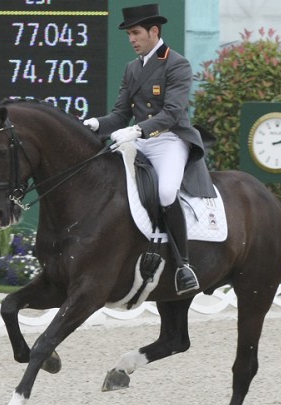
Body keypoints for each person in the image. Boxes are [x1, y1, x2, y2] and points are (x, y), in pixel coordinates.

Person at [84, 3, 205, 295]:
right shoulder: (132, 68)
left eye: (136, 33)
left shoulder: (176, 63)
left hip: (170, 140)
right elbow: (118, 116)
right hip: (138, 139)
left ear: (154, 31)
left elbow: (173, 112)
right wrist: (93, 125)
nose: (132, 40)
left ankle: (183, 266)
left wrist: (139, 130)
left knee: (165, 192)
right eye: (129, 35)